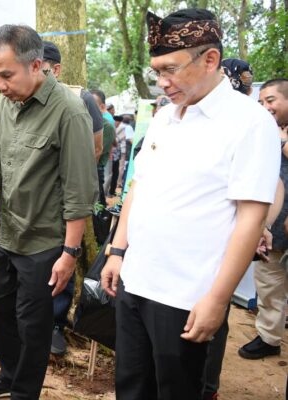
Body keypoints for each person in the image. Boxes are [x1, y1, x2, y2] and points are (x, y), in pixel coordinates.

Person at [100, 9, 279, 400]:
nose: (162, 83)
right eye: (156, 72)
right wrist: (117, 251)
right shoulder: (165, 118)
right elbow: (138, 187)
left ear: (210, 59)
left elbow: (251, 219)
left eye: (170, 70)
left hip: (186, 297)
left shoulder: (249, 123)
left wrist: (217, 299)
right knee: (131, 388)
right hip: (136, 282)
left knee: (178, 391)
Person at [0, 24, 97, 400]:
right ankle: (7, 374)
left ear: (37, 66)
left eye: (6, 75)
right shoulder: (4, 105)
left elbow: (79, 191)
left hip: (45, 242)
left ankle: (24, 391)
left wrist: (69, 253)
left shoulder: (69, 112)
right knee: (1, 310)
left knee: (33, 322)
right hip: (7, 232)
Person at [200, 58, 262, 400]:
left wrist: (260, 226)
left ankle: (207, 386)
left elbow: (267, 195)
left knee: (215, 312)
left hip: (227, 241)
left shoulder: (250, 123)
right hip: (199, 241)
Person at [41, 40, 104, 356]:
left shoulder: (81, 100)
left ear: (57, 68)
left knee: (62, 258)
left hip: (66, 201)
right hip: (33, 203)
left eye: (44, 67)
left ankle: (54, 323)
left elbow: (95, 148)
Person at [239, 78, 288, 361]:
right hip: (271, 227)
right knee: (268, 281)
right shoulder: (264, 131)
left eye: (271, 100)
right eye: (261, 102)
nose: (265, 107)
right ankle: (270, 337)